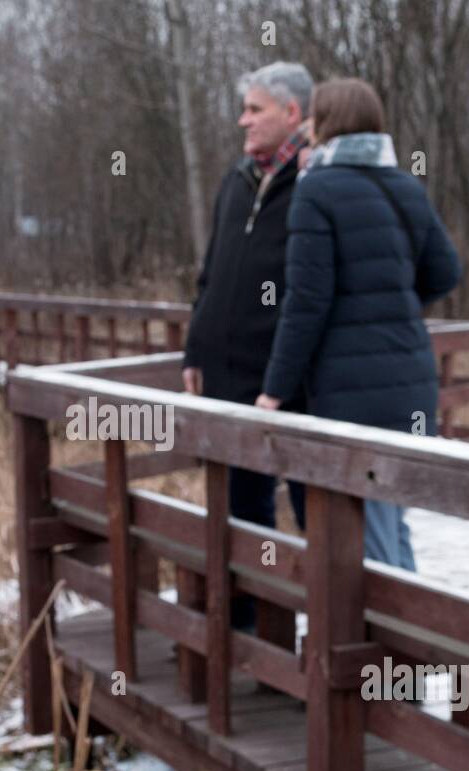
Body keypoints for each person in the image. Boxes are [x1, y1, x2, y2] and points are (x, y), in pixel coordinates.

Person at [255, 78, 462, 570]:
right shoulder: (405, 185)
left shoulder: (316, 191)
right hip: (409, 381)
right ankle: (412, 637)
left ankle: (388, 644)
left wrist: (274, 390)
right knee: (390, 517)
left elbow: (307, 301)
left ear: (324, 124)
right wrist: (390, 304)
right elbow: (447, 272)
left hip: (352, 389)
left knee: (368, 534)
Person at [182, 62, 315, 632]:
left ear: (292, 113)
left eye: (256, 109)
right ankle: (244, 630)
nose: (244, 120)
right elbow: (211, 272)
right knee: (241, 503)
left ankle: (339, 640)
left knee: (319, 507)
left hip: (290, 376)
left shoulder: (314, 178)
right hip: (226, 374)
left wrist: (283, 377)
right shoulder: (237, 178)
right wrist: (195, 348)